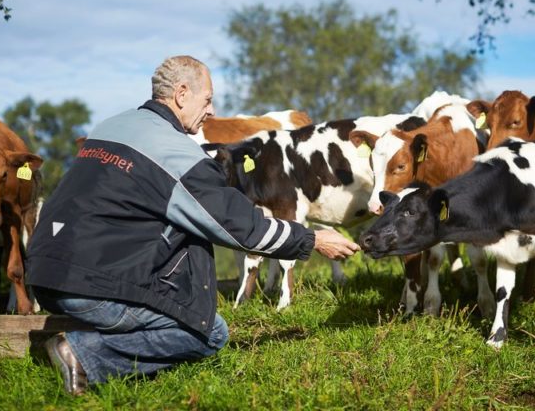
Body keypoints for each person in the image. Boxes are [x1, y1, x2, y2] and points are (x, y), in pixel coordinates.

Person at [26, 55, 360, 395]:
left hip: (45, 275)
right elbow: (238, 226)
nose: (212, 110)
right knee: (207, 332)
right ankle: (84, 355)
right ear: (182, 94)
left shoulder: (111, 127)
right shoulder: (176, 153)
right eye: (208, 99)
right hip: (91, 286)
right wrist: (312, 239)